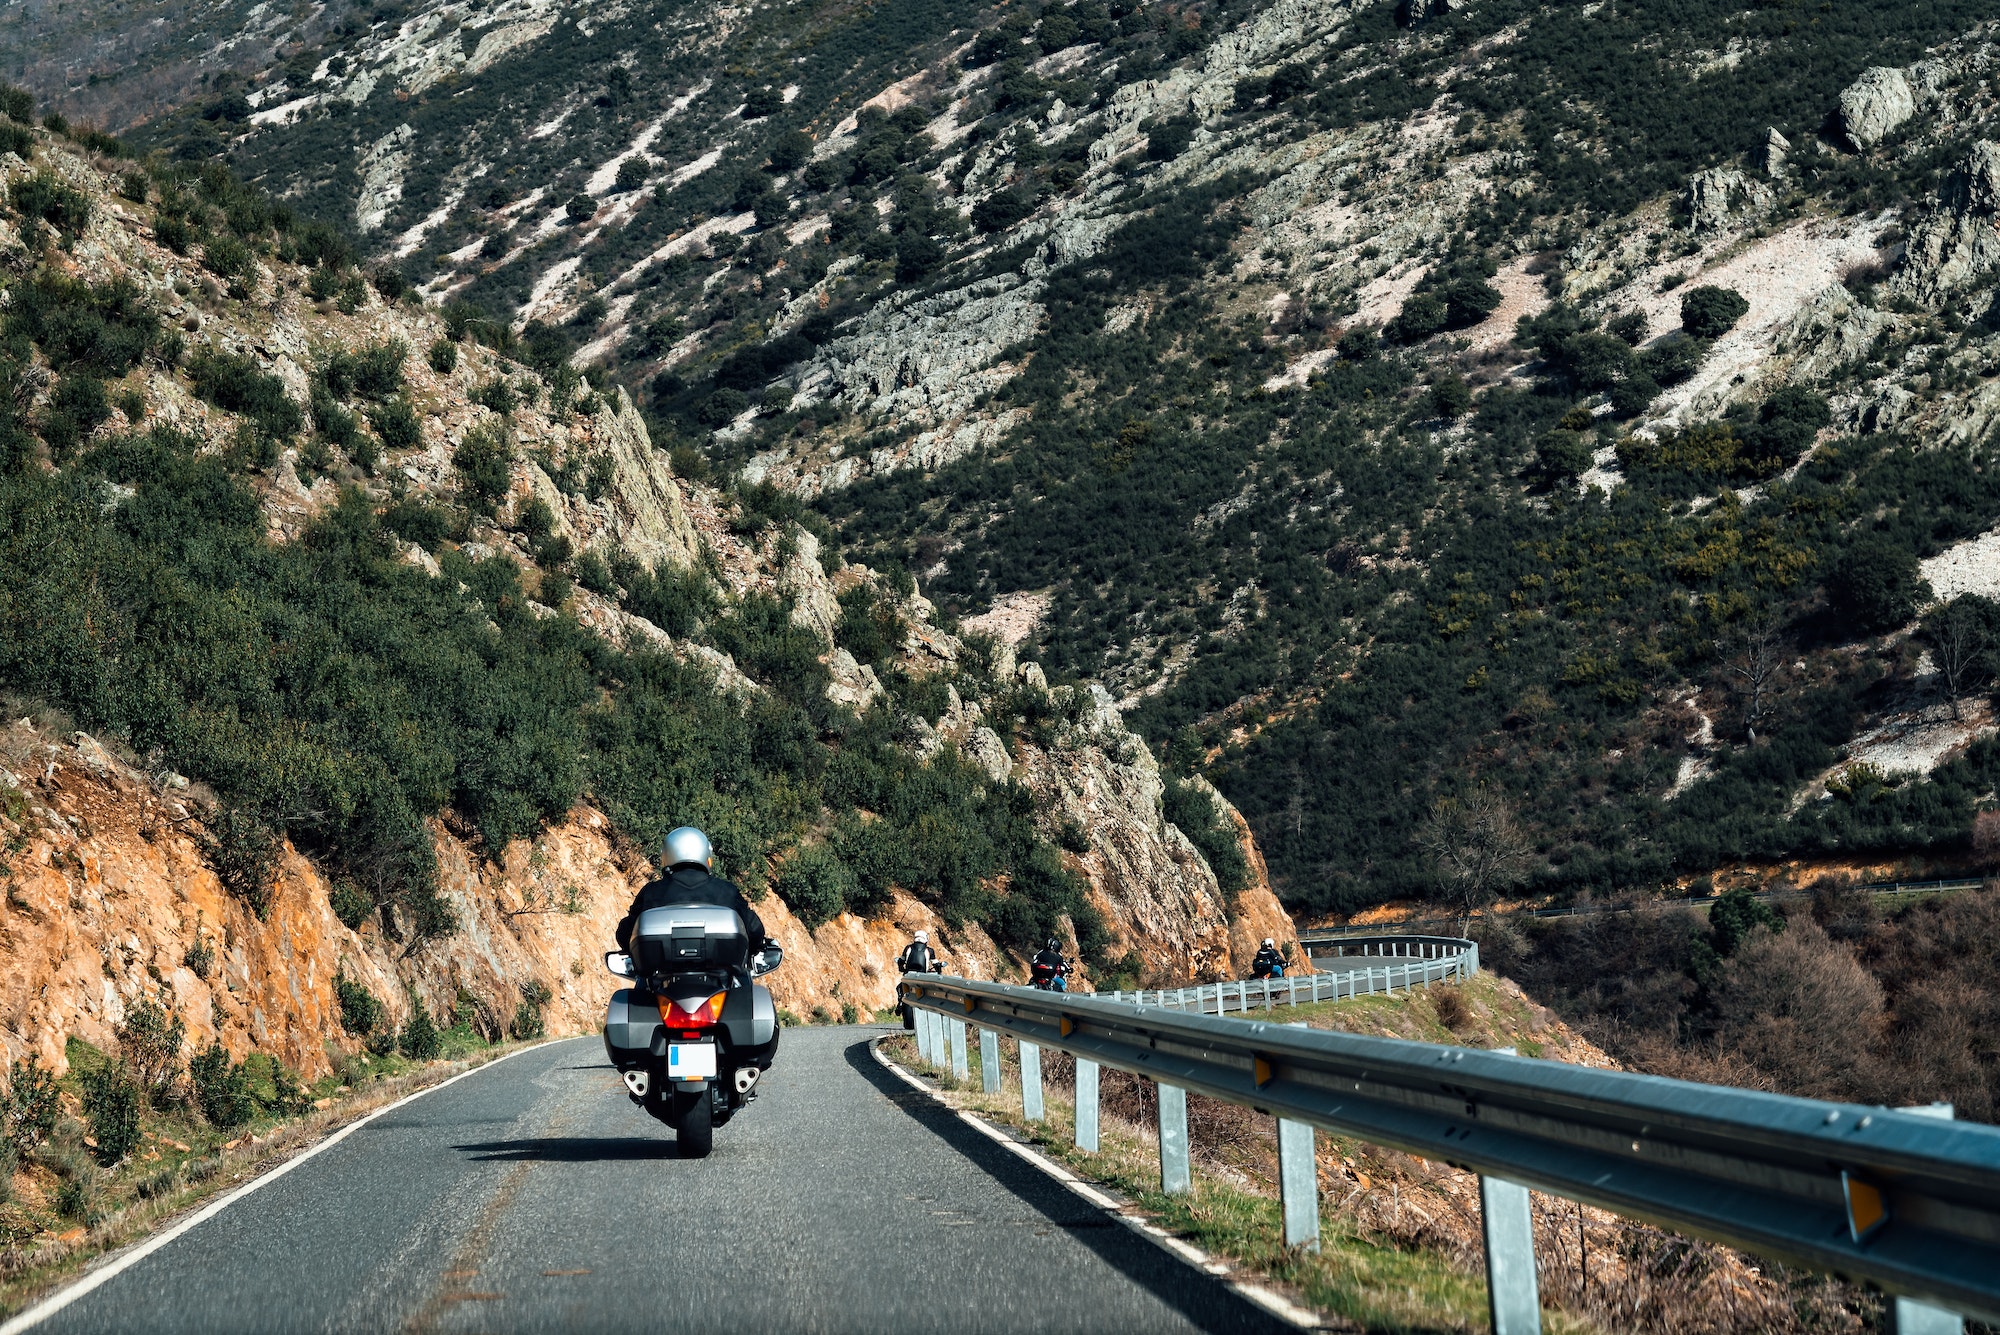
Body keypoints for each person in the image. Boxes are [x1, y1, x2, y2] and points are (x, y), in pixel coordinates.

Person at [615, 826, 767, 959]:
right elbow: (754, 930)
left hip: (661, 982)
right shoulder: (727, 891)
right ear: (706, 854)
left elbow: (625, 934)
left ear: (666, 854)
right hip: (722, 980)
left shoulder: (652, 892)